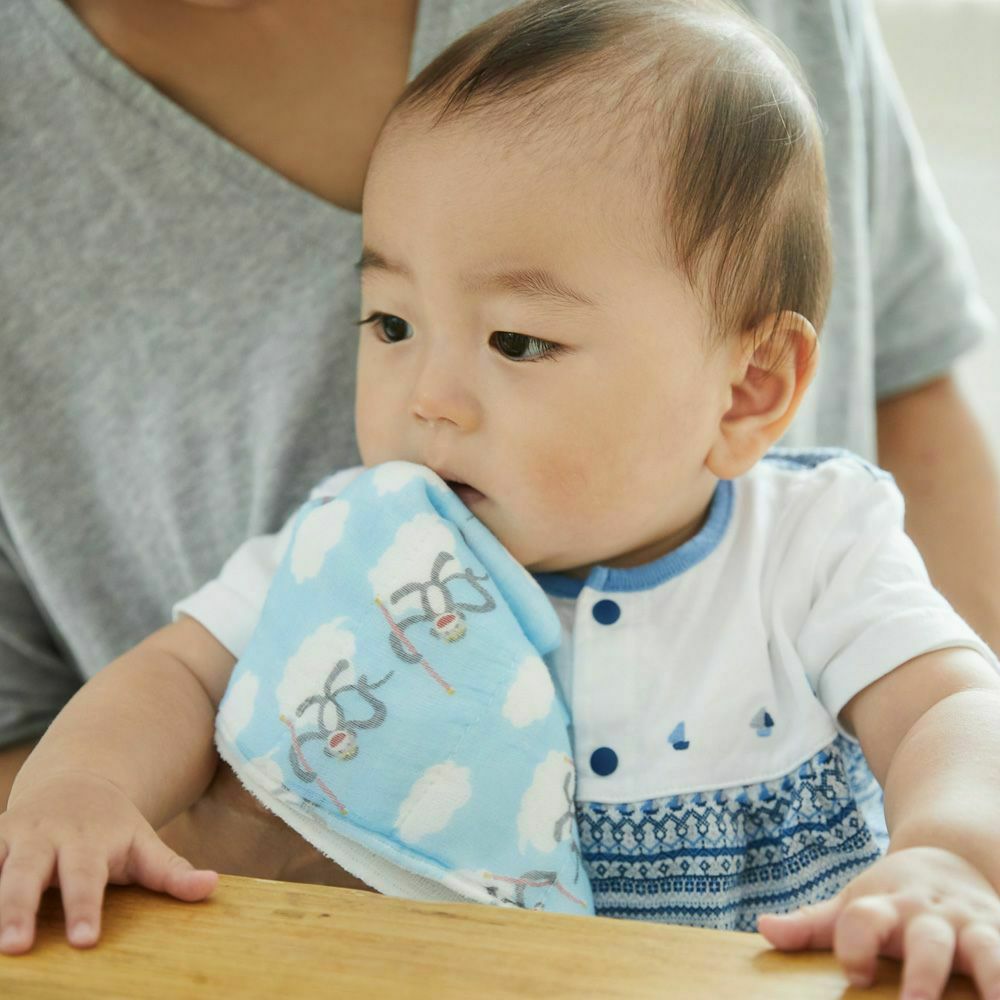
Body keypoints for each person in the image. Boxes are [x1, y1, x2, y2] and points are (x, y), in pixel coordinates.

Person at [3, 3, 1000, 996]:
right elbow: (177, 672)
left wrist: (947, 855)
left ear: (747, 388)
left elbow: (952, 707)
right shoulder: (363, 550)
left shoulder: (813, 550)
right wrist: (82, 787)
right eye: (391, 324)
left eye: (516, 341)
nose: (428, 398)